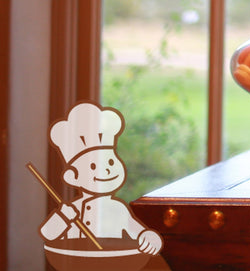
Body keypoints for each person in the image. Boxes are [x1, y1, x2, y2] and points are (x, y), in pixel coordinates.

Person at [38, 102, 162, 255]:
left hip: (111, 265)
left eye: (110, 162)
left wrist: (149, 237)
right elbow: (48, 234)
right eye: (93, 166)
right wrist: (63, 217)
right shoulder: (72, 210)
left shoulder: (118, 209)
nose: (107, 170)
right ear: (72, 177)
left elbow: (138, 231)